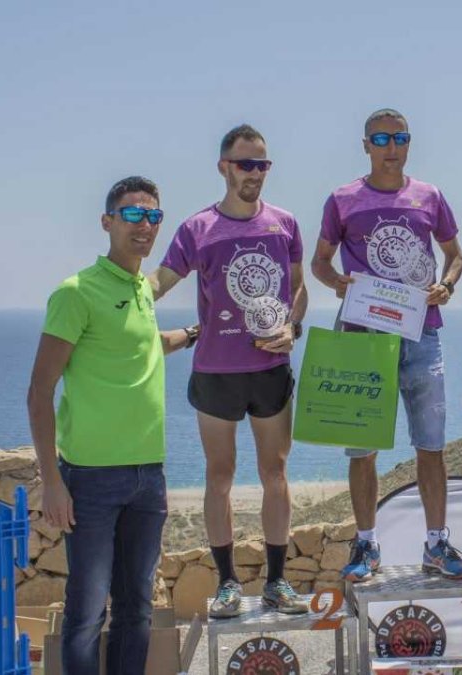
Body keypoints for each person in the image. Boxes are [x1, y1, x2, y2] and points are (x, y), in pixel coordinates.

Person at [28, 176, 195, 674]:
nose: (144, 226)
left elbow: (140, 346)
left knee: (136, 609)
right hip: (91, 480)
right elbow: (40, 389)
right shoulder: (77, 292)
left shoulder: (142, 288)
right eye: (131, 215)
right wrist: (52, 481)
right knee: (85, 613)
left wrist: (191, 334)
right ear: (107, 222)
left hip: (149, 475)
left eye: (152, 217)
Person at [149, 124, 309, 617]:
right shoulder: (198, 229)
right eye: (245, 164)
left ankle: (278, 583)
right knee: (219, 475)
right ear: (224, 167)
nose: (254, 174)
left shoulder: (284, 224)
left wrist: (293, 328)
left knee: (274, 472)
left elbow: (299, 290)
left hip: (270, 368)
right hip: (216, 370)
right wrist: (113, 301)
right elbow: (157, 282)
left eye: (262, 165)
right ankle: (226, 584)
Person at [311, 108, 462, 581]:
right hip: (362, 337)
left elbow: (455, 254)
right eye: (381, 138)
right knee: (363, 450)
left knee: (432, 445)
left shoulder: (429, 196)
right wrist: (339, 283)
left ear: (409, 142)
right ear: (366, 145)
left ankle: (437, 544)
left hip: (422, 332)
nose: (391, 146)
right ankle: (366, 545)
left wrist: (447, 285)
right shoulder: (343, 199)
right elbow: (319, 262)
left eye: (399, 137)